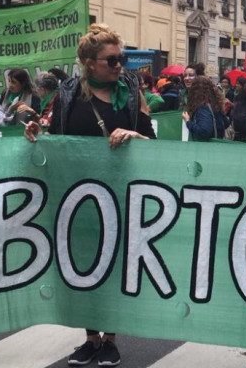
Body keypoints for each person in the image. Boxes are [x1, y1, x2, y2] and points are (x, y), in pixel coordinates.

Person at [24, 23, 155, 367]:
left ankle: (110, 339)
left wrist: (132, 134)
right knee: (81, 266)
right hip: (78, 198)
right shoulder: (68, 94)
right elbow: (57, 141)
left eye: (121, 59)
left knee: (112, 267)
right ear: (89, 62)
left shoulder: (131, 90)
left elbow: (151, 143)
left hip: (121, 194)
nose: (119, 66)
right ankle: (90, 338)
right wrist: (37, 133)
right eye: (111, 60)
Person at [183, 76, 230, 141]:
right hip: (217, 145)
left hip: (206, 148)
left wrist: (188, 122)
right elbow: (226, 123)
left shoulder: (203, 108)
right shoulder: (214, 104)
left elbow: (204, 132)